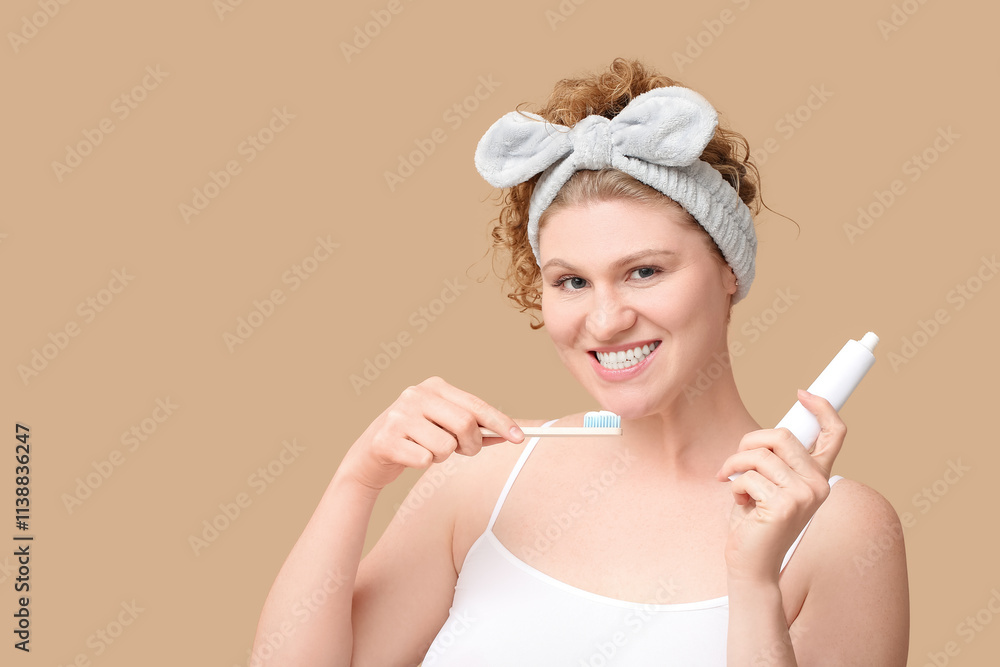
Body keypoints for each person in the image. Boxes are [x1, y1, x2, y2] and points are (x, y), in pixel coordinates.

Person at [251, 58, 909, 666]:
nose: (604, 319)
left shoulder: (836, 529)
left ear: (727, 271)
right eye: (571, 281)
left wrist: (753, 581)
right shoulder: (480, 481)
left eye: (645, 271)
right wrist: (357, 481)